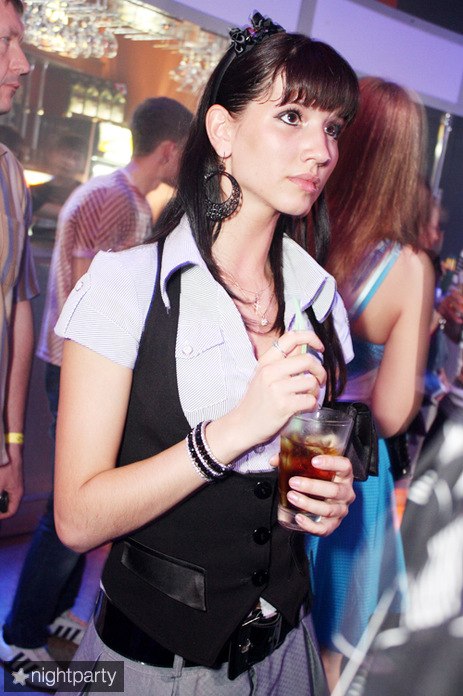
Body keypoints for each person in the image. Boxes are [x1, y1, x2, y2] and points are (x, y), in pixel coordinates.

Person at [51, 12, 359, 696]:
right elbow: (74, 519)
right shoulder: (128, 286)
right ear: (222, 131)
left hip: (287, 653)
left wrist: (319, 499)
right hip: (156, 670)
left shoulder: (318, 299)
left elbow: (294, 481)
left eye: (332, 128)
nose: (321, 150)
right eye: (291, 117)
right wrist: (232, 431)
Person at [0, 97, 192, 674]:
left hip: (73, 367)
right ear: (169, 150)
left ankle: (54, 610)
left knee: (76, 502)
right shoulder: (113, 199)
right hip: (78, 370)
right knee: (74, 506)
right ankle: (19, 634)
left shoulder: (119, 196)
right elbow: (95, 299)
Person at [305, 77, 435, 691]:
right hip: (343, 464)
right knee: (331, 652)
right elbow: (390, 413)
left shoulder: (298, 227)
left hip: (270, 440)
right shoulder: (407, 269)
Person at [0, 0, 39, 522]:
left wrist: (12, 443)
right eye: (5, 42)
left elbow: (16, 309)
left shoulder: (10, 174)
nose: (23, 64)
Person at [29, 133, 87, 240]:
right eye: (65, 154)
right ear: (51, 155)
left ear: (83, 163)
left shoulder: (87, 194)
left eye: (76, 157)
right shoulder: (34, 191)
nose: (69, 162)